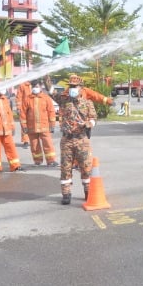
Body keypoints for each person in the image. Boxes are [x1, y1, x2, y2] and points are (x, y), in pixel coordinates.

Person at [57, 74, 97, 205]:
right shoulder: (63, 101)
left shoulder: (87, 103)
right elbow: (51, 91)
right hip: (67, 140)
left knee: (86, 167)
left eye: (74, 87)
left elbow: (93, 119)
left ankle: (87, 192)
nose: (72, 89)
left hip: (82, 139)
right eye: (70, 87)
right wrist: (45, 78)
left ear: (81, 88)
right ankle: (66, 194)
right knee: (65, 168)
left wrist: (88, 124)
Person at [21, 82, 58, 167]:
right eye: (33, 86)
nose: (35, 88)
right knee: (34, 145)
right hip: (31, 127)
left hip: (44, 126)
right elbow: (23, 114)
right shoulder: (27, 99)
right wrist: (24, 127)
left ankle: (51, 161)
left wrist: (52, 125)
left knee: (48, 144)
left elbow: (51, 112)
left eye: (37, 86)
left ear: (41, 87)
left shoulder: (46, 98)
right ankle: (37, 161)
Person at [15, 80, 32, 149]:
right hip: (25, 108)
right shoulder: (23, 85)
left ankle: (34, 140)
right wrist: (18, 108)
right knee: (24, 124)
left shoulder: (37, 85)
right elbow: (19, 97)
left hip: (35, 108)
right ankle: (26, 141)